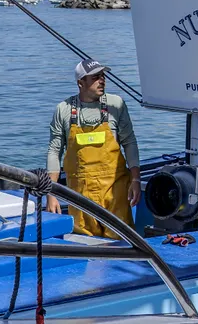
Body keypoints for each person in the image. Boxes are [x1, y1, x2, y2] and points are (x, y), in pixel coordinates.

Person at [44, 59, 140, 238]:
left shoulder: (116, 105)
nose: (102, 80)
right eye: (95, 77)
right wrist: (51, 192)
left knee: (121, 242)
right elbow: (54, 150)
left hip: (115, 192)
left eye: (103, 76)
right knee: (85, 243)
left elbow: (130, 142)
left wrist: (135, 180)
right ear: (80, 83)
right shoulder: (63, 110)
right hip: (81, 196)